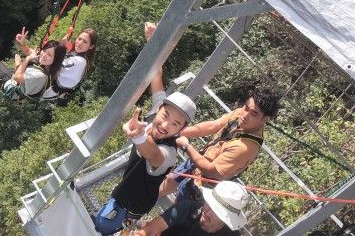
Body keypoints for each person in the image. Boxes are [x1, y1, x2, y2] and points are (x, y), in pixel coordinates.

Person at [92, 64, 197, 235]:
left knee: (103, 225)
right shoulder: (157, 113)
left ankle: (123, 225)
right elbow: (157, 79)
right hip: (127, 187)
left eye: (175, 124)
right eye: (165, 116)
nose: (165, 125)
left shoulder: (169, 153)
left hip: (134, 203)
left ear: (180, 130)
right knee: (107, 214)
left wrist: (139, 136)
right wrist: (155, 42)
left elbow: (154, 154)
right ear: (159, 109)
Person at [157, 85, 280, 224]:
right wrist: (177, 132)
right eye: (246, 108)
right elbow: (213, 126)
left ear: (265, 120)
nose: (245, 115)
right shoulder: (241, 114)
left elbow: (211, 171)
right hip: (196, 162)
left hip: (200, 186)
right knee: (159, 187)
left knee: (172, 220)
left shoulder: (246, 148)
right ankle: (137, 203)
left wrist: (186, 146)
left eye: (254, 114)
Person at [130, 181, 250, 236]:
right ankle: (134, 221)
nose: (207, 211)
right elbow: (152, 229)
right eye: (209, 204)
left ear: (227, 220)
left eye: (217, 211)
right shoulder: (188, 208)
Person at [16, 26, 97, 100]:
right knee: (37, 57)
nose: (80, 43)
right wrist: (23, 44)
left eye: (85, 42)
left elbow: (44, 58)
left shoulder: (79, 62)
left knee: (25, 64)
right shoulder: (78, 57)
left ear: (91, 46)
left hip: (43, 89)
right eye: (79, 39)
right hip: (45, 88)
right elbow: (38, 55)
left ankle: (18, 68)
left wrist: (23, 62)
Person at [0, 39, 66, 100]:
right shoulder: (46, 65)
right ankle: (18, 65)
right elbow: (29, 51)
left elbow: (16, 77)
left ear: (55, 60)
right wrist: (22, 43)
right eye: (44, 50)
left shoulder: (40, 76)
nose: (44, 55)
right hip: (21, 83)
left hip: (11, 88)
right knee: (23, 63)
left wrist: (27, 59)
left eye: (49, 55)